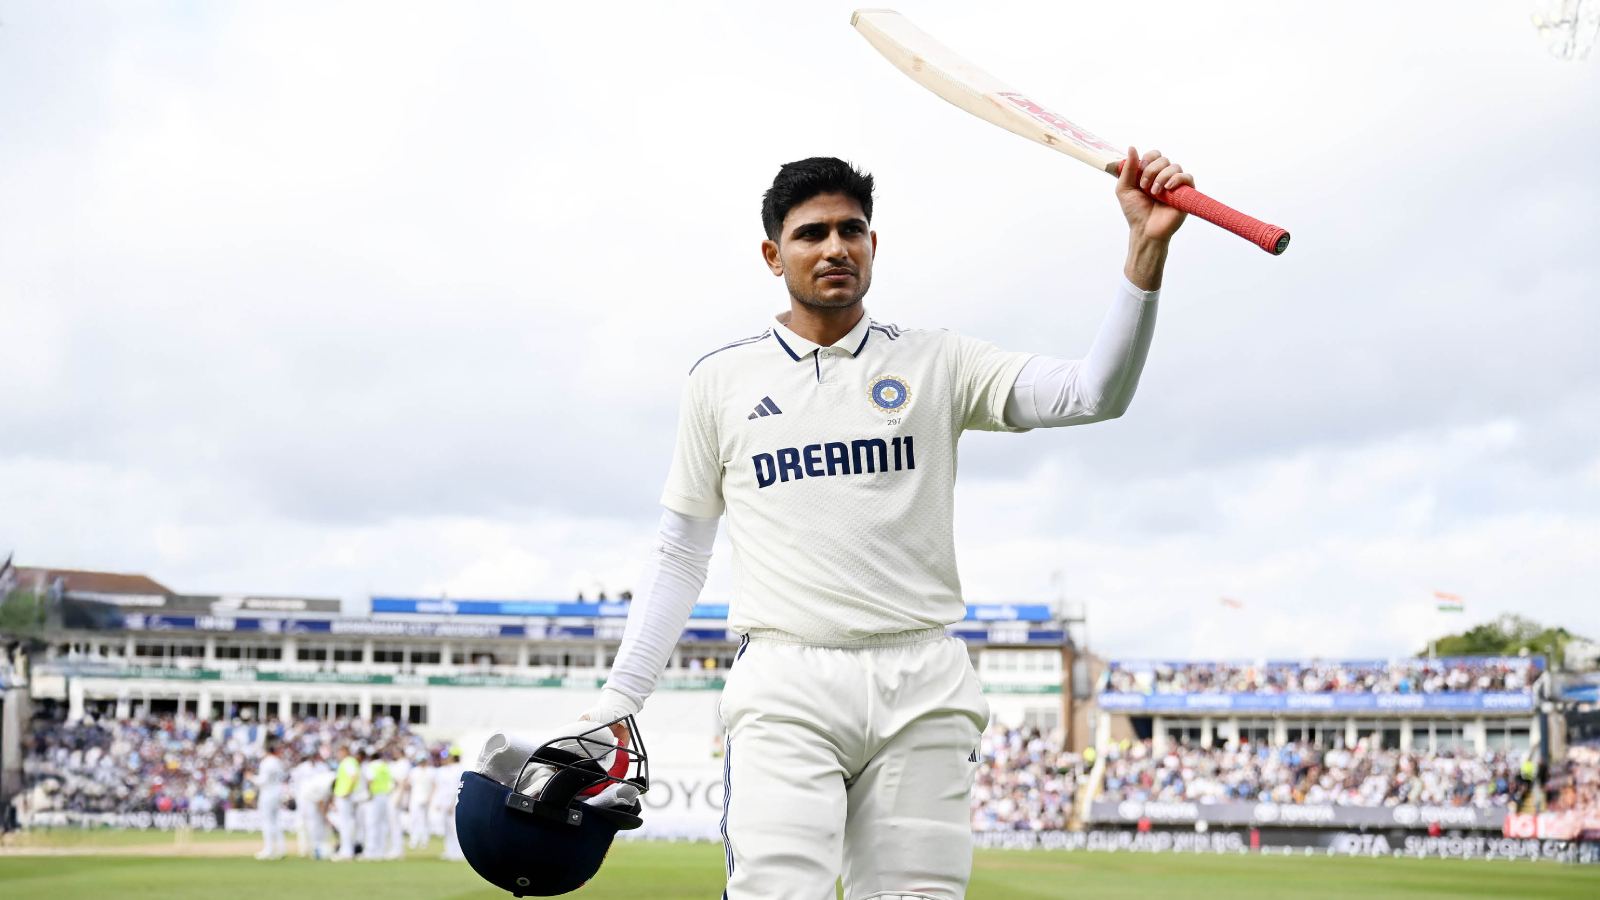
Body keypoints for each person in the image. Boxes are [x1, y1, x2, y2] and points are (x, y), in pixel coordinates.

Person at [580, 151, 1192, 899]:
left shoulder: (940, 360)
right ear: (773, 255)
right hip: (786, 680)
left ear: (873, 245)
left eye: (852, 230)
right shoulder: (720, 381)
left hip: (923, 680)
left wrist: (1145, 249)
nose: (835, 246)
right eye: (812, 234)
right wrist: (621, 697)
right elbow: (681, 554)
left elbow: (1094, 392)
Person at [291, 752, 333, 859]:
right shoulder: (301, 768)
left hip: (316, 797)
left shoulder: (323, 768)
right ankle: (308, 848)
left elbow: (327, 797)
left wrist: (325, 813)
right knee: (306, 824)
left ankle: (320, 846)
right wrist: (325, 813)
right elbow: (320, 799)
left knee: (319, 823)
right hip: (306, 798)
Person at [253, 737, 287, 860]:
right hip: (277, 792)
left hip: (268, 793)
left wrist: (250, 777)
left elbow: (262, 781)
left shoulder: (267, 762)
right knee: (276, 822)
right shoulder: (278, 762)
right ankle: (281, 849)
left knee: (267, 822)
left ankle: (269, 849)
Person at [361, 747, 394, 860]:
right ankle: (381, 851)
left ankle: (370, 851)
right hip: (385, 796)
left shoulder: (371, 766)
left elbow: (370, 780)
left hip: (374, 797)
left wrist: (368, 793)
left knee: (372, 824)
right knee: (383, 824)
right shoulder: (385, 766)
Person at [331, 744, 361, 861]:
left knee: (345, 824)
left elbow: (353, 776)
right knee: (345, 824)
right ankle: (346, 849)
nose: (338, 755)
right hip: (343, 795)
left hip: (345, 796)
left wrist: (348, 791)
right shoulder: (349, 762)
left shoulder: (348, 761)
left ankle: (347, 851)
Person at [405, 753, 434, 850]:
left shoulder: (430, 771)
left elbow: (434, 785)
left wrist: (430, 798)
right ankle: (414, 839)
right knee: (414, 819)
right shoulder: (414, 771)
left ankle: (424, 840)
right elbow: (408, 784)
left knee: (424, 820)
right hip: (415, 798)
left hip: (425, 798)